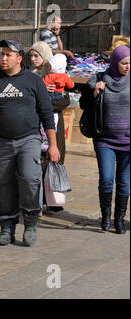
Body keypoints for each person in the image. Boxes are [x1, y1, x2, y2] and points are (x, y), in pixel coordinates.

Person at [0, 40, 60, 246]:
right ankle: (6, 227)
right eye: (2, 54)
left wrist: (53, 145)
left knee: (30, 178)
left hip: (29, 139)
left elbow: (47, 114)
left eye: (8, 54)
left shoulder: (33, 81)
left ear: (19, 58)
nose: (3, 58)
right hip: (2, 141)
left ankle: (30, 223)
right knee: (4, 184)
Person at [86, 45, 130, 234]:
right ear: (114, 62)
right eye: (124, 63)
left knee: (124, 182)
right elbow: (84, 103)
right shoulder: (99, 78)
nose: (128, 66)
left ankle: (119, 219)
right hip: (105, 140)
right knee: (106, 178)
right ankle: (105, 216)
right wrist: (95, 93)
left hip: (128, 141)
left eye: (130, 63)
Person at [29, 41, 71, 213]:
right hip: (33, 124)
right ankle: (38, 199)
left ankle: (53, 198)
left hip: (53, 124)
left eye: (36, 55)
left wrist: (45, 102)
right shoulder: (28, 76)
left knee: (54, 158)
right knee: (36, 161)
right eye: (31, 56)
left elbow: (65, 100)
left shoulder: (56, 73)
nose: (33, 59)